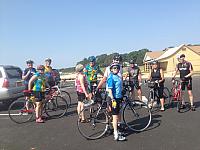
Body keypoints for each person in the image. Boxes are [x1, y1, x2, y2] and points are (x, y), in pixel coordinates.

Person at [107, 63, 126, 141]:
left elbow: (120, 86)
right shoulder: (111, 77)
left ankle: (118, 130)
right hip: (114, 99)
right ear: (111, 69)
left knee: (118, 114)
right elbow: (110, 90)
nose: (116, 69)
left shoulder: (118, 76)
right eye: (114, 68)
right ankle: (116, 134)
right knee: (115, 116)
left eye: (117, 68)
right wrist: (112, 98)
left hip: (119, 97)